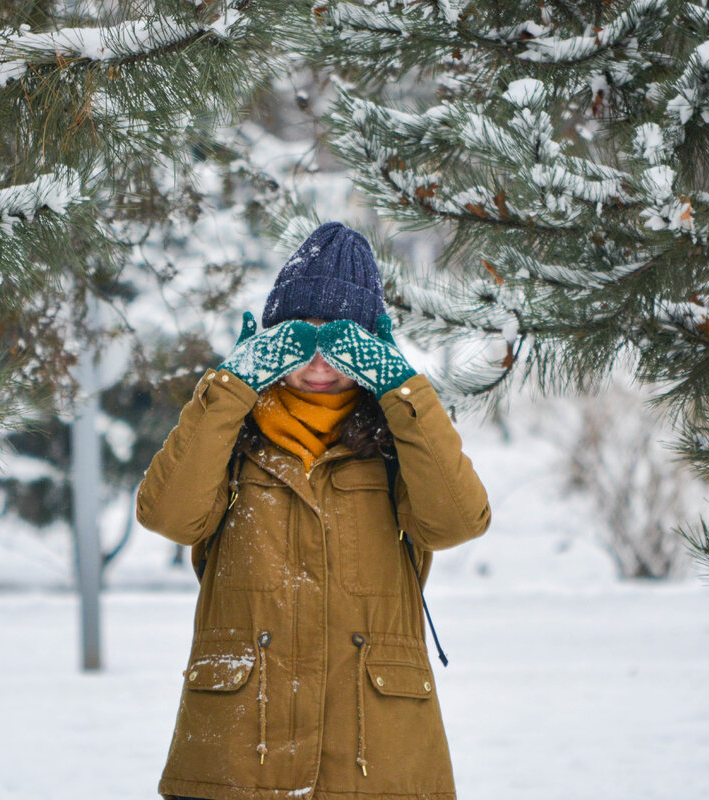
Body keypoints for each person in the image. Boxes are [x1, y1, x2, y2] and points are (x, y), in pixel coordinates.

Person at [135, 221, 491, 800]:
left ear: (372, 342)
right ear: (275, 335)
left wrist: (402, 389)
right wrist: (232, 386)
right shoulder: (232, 431)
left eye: (343, 336)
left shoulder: (397, 439)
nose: (321, 356)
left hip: (375, 758)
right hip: (238, 758)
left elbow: (458, 521)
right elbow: (169, 517)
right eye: (305, 334)